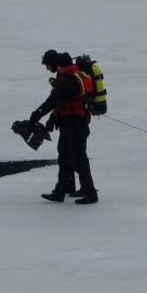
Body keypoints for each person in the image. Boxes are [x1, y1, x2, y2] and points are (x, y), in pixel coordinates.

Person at [29, 50, 98, 205]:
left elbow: (53, 101)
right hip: (72, 122)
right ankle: (61, 191)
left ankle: (91, 194)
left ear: (59, 66)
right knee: (65, 155)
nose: (49, 69)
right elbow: (62, 103)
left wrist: (37, 114)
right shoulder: (71, 76)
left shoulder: (68, 81)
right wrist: (53, 119)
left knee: (78, 158)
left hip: (75, 124)